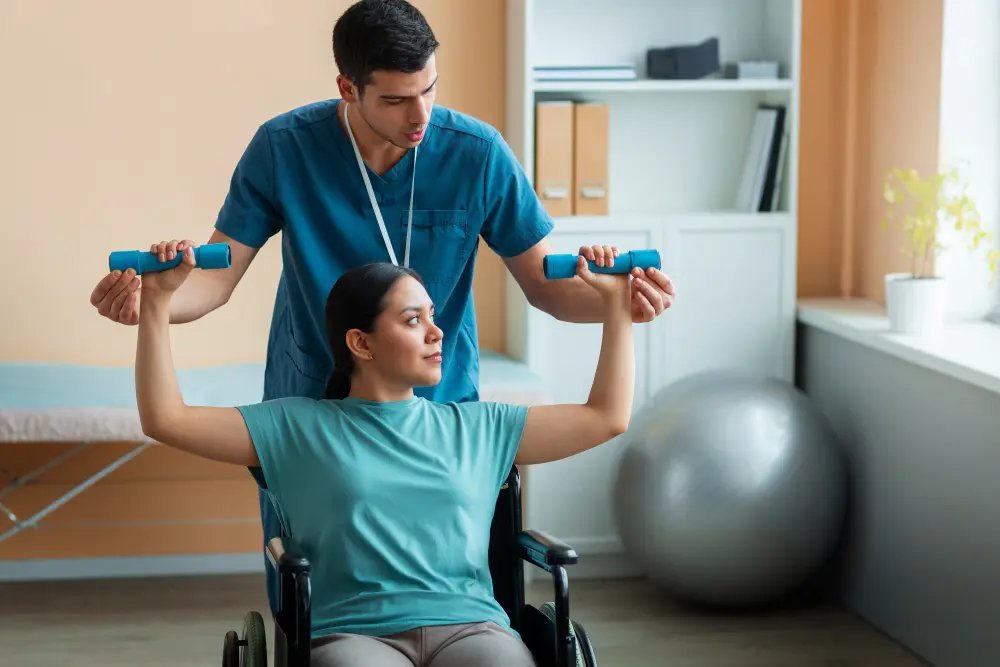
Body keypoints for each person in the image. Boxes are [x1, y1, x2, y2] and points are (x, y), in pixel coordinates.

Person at [89, 0, 675, 613]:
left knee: (452, 575)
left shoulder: (475, 153)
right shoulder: (285, 147)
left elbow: (548, 286)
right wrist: (154, 304)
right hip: (316, 407)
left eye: (429, 90)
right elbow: (216, 278)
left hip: (436, 409)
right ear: (348, 88)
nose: (421, 115)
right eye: (396, 100)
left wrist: (620, 307)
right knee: (314, 584)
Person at [134, 249, 635, 667]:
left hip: (472, 627)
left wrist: (617, 307)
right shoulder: (294, 427)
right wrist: (156, 303)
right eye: (413, 320)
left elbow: (606, 416)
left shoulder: (481, 426)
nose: (436, 332)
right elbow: (166, 419)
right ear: (361, 343)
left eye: (433, 317)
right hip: (351, 636)